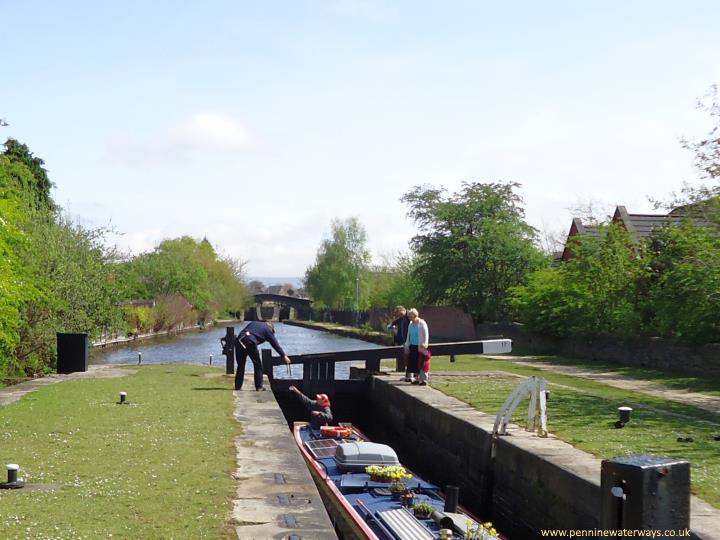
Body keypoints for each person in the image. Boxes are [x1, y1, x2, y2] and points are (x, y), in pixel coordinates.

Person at [234, 320, 291, 391]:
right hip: (250, 341)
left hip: (239, 340)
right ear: (271, 328)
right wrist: (284, 356)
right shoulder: (267, 329)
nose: (271, 334)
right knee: (257, 364)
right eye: (272, 332)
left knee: (241, 365)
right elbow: (275, 344)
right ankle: (259, 387)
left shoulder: (254, 323)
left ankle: (238, 386)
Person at [404, 308, 430, 386]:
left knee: (422, 363)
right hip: (412, 346)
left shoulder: (422, 323)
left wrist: (425, 343)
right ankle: (417, 378)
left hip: (420, 346)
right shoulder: (411, 324)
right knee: (414, 364)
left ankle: (423, 380)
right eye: (409, 317)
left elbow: (426, 334)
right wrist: (407, 345)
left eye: (411, 317)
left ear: (415, 316)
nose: (410, 319)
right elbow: (408, 335)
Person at [389, 306, 412, 382]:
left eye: (401, 313)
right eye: (399, 315)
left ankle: (411, 375)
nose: (400, 316)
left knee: (410, 358)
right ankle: (407, 375)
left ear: (403, 310)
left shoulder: (409, 316)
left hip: (410, 341)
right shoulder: (402, 318)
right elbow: (395, 322)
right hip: (404, 341)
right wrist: (391, 325)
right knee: (405, 358)